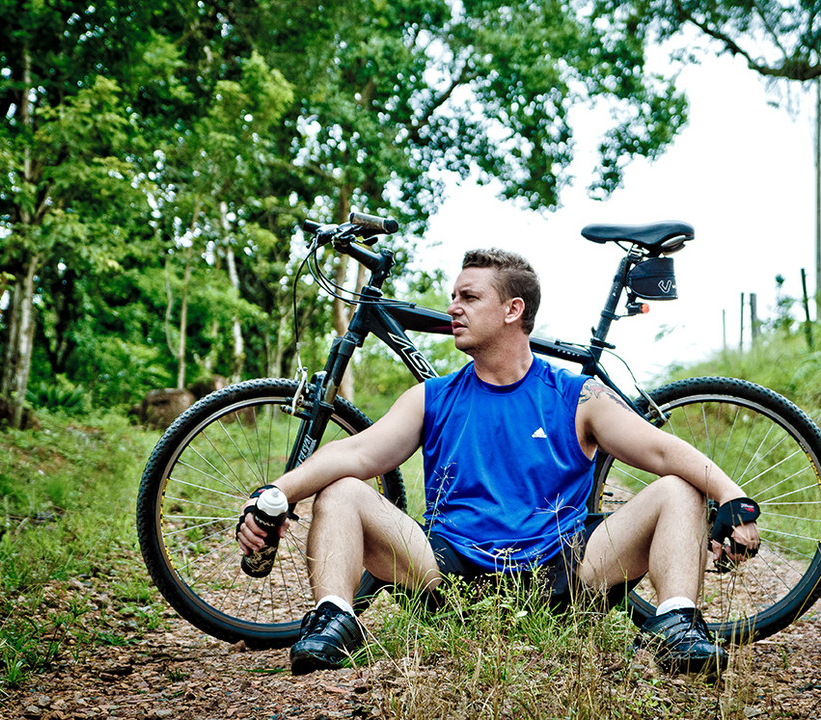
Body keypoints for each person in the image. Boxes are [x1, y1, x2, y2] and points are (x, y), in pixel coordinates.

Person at [237, 248, 760, 677]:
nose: (453, 309)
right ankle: (334, 619)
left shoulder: (579, 397)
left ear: (513, 310)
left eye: (469, 297)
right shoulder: (430, 397)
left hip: (564, 571)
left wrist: (732, 496)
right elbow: (353, 451)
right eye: (453, 297)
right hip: (450, 574)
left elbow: (665, 450)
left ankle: (676, 626)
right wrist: (275, 495)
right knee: (341, 489)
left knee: (678, 487)